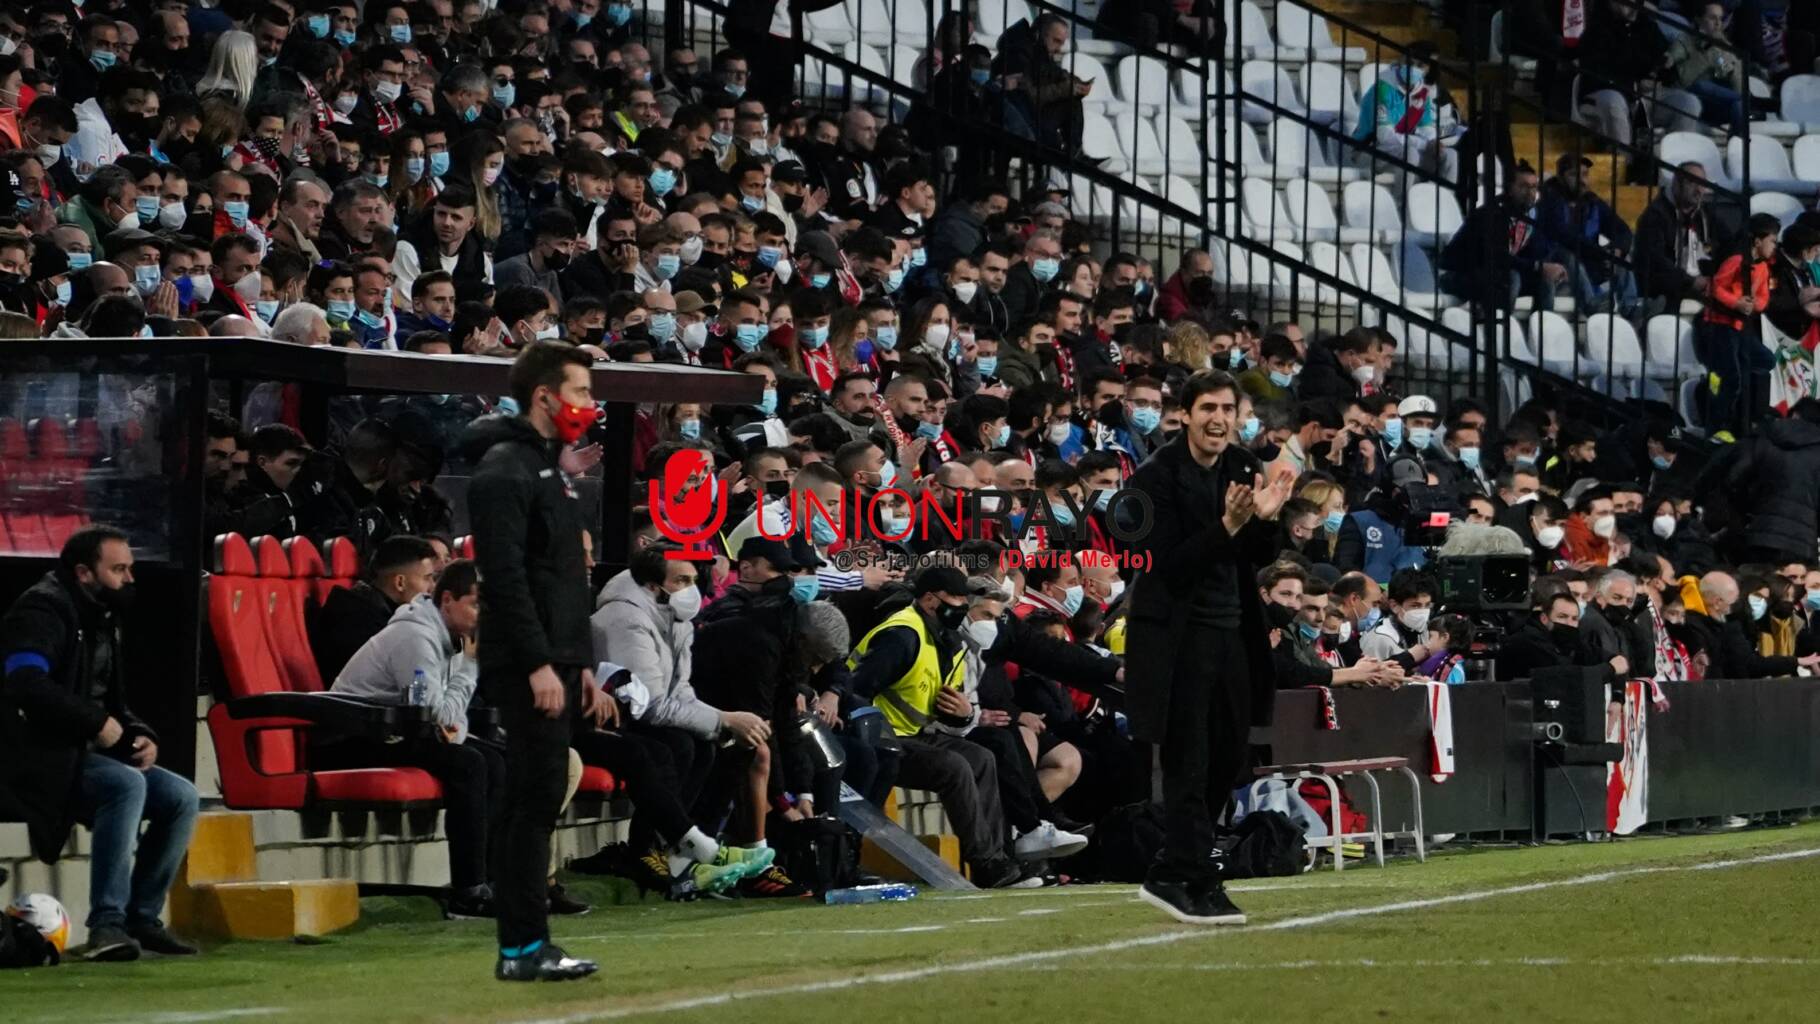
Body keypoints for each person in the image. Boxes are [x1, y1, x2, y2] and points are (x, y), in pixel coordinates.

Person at [1123, 370, 1292, 925]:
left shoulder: (1242, 465)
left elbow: (1258, 554)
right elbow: (1167, 567)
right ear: (1185, 415)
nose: (1219, 419)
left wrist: (1265, 520)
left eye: (1227, 409)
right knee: (1188, 761)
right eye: (1208, 409)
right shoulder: (1154, 477)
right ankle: (1192, 875)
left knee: (1228, 758)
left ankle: (1176, 867)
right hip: (1178, 639)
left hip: (1234, 632)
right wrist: (1228, 525)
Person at [462, 343, 603, 983]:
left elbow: (563, 577)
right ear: (545, 396)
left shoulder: (548, 467)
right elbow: (505, 579)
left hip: (557, 659)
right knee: (532, 798)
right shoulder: (505, 470)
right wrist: (539, 663)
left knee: (541, 795)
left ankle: (527, 944)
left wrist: (580, 661)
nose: (589, 404)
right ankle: (522, 945)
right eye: (581, 391)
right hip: (529, 663)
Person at [0, 526, 200, 961]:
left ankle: (142, 918)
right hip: (35, 759)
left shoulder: (103, 617)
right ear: (84, 573)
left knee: (181, 796)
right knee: (125, 784)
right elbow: (25, 681)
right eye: (119, 569)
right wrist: (95, 723)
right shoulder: (41, 610)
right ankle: (107, 925)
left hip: (81, 754)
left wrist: (140, 733)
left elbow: (109, 701)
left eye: (129, 569)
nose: (130, 579)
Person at [322, 559, 500, 917]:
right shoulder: (416, 637)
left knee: (497, 760)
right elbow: (438, 715)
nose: (482, 616)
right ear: (447, 599)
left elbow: (448, 719)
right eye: (475, 605)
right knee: (469, 764)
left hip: (396, 730)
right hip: (349, 738)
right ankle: (468, 891)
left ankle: (493, 882)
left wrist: (452, 729)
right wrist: (469, 668)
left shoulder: (450, 636)